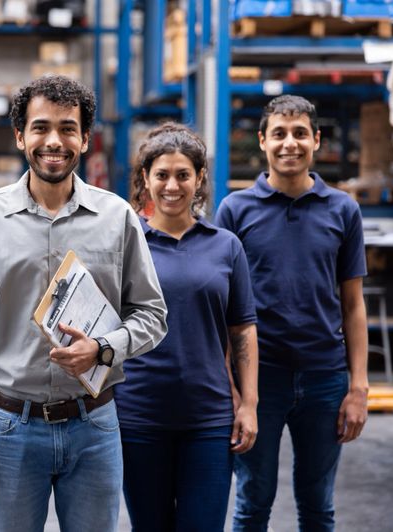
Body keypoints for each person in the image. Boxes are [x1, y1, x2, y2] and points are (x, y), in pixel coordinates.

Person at [0, 75, 168, 532]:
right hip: (13, 426)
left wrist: (104, 348)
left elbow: (152, 316)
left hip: (95, 424)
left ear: (84, 138)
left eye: (68, 128)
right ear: (21, 136)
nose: (54, 141)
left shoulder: (116, 216)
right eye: (41, 127)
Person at [215, 95, 369, 531]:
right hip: (259, 381)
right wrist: (232, 388)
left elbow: (353, 305)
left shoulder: (343, 210)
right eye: (279, 134)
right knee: (253, 501)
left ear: (316, 140)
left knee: (318, 505)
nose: (290, 143)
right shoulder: (235, 210)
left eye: (300, 133)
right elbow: (223, 309)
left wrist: (358, 387)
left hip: (325, 378)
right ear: (262, 141)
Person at [115, 123, 259, 531]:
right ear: (146, 179)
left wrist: (248, 404)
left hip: (209, 419)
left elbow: (243, 329)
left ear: (199, 180)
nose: (172, 186)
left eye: (183, 175)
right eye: (162, 175)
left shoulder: (225, 245)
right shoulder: (127, 244)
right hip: (138, 416)